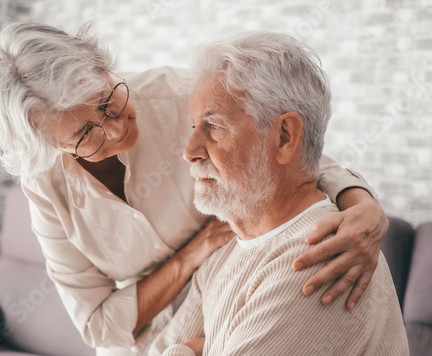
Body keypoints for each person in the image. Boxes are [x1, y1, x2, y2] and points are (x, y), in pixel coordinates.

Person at [0, 23, 389, 355]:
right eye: (86, 134)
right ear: (51, 146)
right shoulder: (45, 185)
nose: (118, 128)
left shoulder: (180, 97)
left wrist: (364, 206)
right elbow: (98, 325)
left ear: (103, 67)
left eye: (107, 100)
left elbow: (288, 147)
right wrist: (195, 253)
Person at [150, 31, 408, 356]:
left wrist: (187, 349)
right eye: (193, 126)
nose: (189, 151)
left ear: (285, 137)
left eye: (213, 126)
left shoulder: (319, 260)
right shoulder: (222, 258)